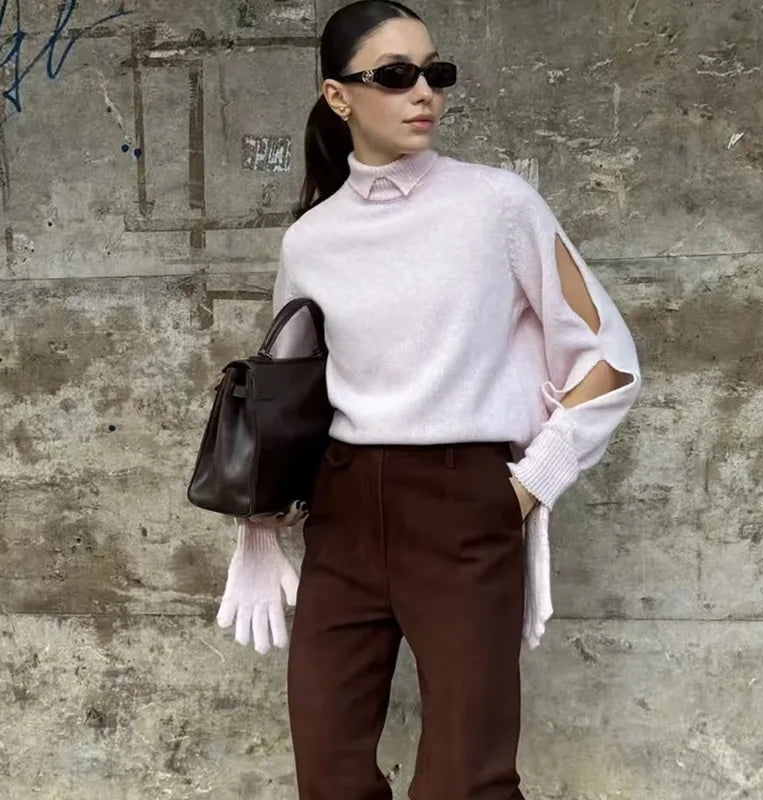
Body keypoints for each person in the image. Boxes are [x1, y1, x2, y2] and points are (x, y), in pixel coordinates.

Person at [214, 1, 642, 797]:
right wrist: (259, 522)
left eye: (435, 73)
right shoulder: (311, 241)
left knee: (465, 778)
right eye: (395, 75)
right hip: (342, 510)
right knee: (328, 771)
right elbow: (288, 398)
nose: (424, 93)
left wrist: (525, 486)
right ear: (338, 96)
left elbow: (609, 361)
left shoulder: (497, 205)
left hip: (462, 504)